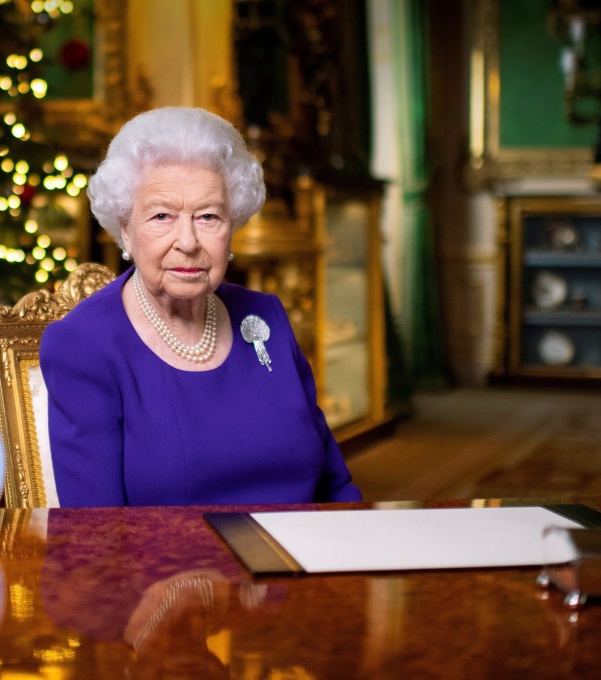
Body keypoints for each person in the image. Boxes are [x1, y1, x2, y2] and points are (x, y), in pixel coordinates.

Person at [39, 106, 361, 507]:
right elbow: (97, 537)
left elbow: (335, 486)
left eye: (209, 216)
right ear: (126, 228)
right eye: (162, 216)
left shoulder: (266, 318)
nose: (188, 241)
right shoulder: (83, 345)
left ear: (232, 227)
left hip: (301, 561)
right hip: (172, 570)